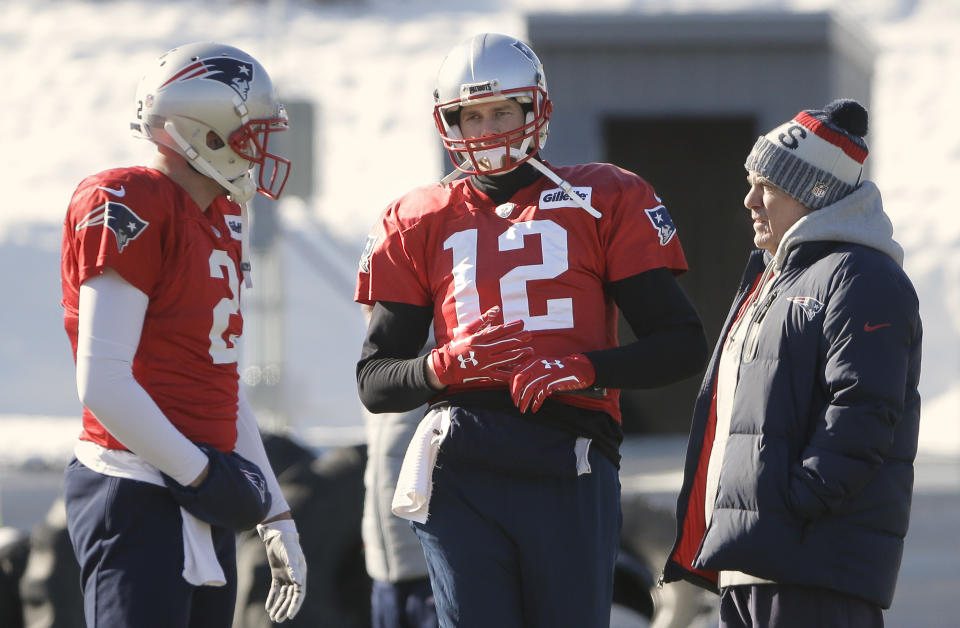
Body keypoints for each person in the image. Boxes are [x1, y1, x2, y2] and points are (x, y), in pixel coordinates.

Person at [355, 32, 708, 627]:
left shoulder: (604, 195)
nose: (488, 129)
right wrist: (439, 367)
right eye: (472, 115)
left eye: (501, 111)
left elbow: (681, 343)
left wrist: (588, 367)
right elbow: (374, 380)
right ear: (449, 122)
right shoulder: (417, 218)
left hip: (568, 451)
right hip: (460, 461)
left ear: (534, 110)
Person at [60, 42, 307, 627]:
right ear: (206, 133)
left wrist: (274, 514)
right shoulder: (130, 200)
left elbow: (219, 381)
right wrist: (201, 476)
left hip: (201, 486)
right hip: (137, 488)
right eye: (250, 134)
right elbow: (102, 381)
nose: (261, 150)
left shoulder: (222, 214)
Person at [662, 99, 922, 627]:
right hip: (755, 564)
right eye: (751, 182)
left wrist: (794, 501)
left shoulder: (862, 276)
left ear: (816, 193)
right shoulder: (776, 278)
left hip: (812, 568)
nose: (750, 200)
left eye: (769, 186)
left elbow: (864, 409)